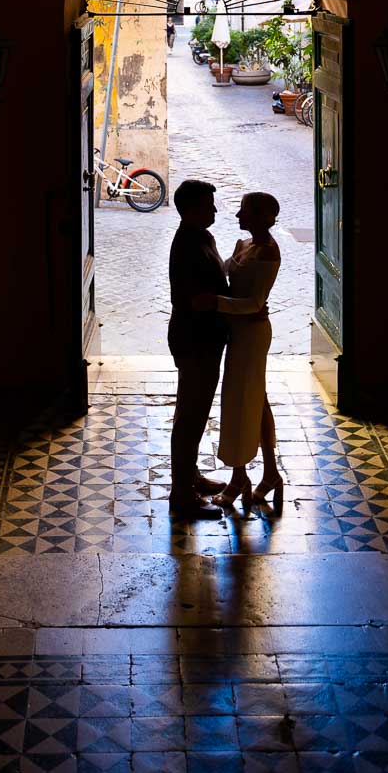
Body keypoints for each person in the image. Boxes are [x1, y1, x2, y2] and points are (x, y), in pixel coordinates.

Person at [192, 192, 283, 512]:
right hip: (237, 332)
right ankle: (269, 473)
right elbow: (224, 273)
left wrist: (215, 303)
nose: (237, 216)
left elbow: (255, 303)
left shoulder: (270, 252)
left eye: (244, 211)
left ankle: (239, 476)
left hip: (253, 334)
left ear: (261, 217)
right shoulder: (242, 246)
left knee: (242, 400)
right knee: (254, 400)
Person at [167, 179, 230, 519]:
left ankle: (190, 476)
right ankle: (181, 494)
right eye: (209, 205)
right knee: (190, 416)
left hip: (205, 338)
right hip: (195, 339)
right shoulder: (188, 244)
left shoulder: (201, 236)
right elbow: (198, 300)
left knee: (194, 412)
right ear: (191, 209)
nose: (215, 210)